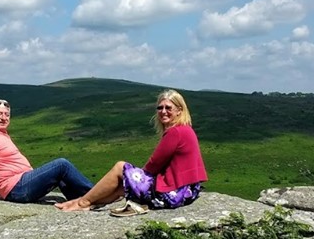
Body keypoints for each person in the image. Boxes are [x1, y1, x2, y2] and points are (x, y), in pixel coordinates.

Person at [55, 89, 207, 213]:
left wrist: (136, 179)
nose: (163, 111)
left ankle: (82, 202)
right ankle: (84, 203)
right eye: (160, 107)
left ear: (179, 110)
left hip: (173, 193)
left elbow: (153, 165)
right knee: (123, 186)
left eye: (169, 108)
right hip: (187, 191)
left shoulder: (176, 132)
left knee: (121, 167)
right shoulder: (186, 129)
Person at [0, 98, 94, 209]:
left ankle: (83, 201)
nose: (3, 118)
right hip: (18, 188)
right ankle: (100, 193)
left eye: (7, 114)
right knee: (62, 165)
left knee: (62, 177)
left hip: (21, 184)